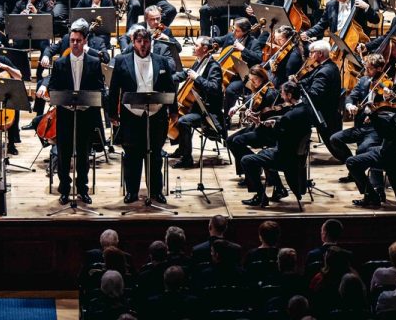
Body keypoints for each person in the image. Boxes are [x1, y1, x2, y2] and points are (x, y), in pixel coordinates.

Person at [109, 24, 179, 205]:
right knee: (132, 155)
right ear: (133, 42)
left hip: (156, 115)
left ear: (151, 42)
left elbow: (170, 87)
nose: (142, 45)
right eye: (139, 41)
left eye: (146, 41)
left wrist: (173, 111)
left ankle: (156, 191)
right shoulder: (121, 60)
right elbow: (114, 89)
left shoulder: (161, 61)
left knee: (155, 155)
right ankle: (132, 192)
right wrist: (112, 113)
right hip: (131, 116)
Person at [39, 19, 107, 204]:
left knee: (84, 155)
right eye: (72, 40)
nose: (75, 43)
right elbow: (53, 87)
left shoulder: (94, 62)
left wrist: (89, 102)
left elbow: (100, 89)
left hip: (85, 115)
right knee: (64, 154)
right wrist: (61, 100)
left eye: (78, 40)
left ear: (85, 41)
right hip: (65, 116)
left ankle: (83, 189)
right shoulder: (60, 63)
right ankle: (64, 190)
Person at [347, 81, 396, 207]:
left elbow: (385, 134)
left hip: (390, 156)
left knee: (351, 162)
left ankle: (372, 196)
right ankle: (378, 189)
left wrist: (373, 114)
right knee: (368, 149)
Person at [239, 80, 312, 206]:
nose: (281, 96)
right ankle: (279, 188)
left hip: (285, 159)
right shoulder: (306, 109)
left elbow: (273, 136)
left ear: (289, 95)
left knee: (246, 160)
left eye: (283, 94)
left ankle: (261, 196)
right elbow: (289, 127)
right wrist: (276, 123)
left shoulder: (289, 117)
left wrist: (258, 123)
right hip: (298, 157)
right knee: (263, 153)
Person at [170, 36, 226, 168]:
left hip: (208, 111)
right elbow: (186, 74)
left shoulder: (213, 67)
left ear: (205, 48)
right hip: (196, 107)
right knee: (174, 113)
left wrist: (198, 78)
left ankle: (187, 159)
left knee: (183, 121)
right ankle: (182, 149)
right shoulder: (199, 62)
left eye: (196, 45)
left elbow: (214, 88)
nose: (193, 48)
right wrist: (167, 78)